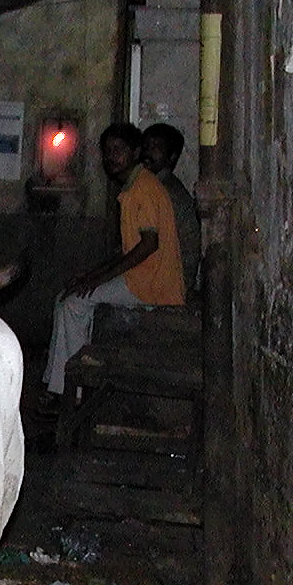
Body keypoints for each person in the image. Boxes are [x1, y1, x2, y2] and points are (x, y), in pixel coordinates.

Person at [42, 121, 183, 399]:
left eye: (119, 150)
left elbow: (149, 245)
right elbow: (127, 250)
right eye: (107, 151)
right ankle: (57, 382)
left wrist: (97, 280)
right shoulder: (135, 187)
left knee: (74, 304)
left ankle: (70, 390)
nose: (111, 157)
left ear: (135, 152)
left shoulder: (143, 188)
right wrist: (90, 276)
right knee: (68, 297)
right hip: (143, 277)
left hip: (152, 284)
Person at [140, 122, 201, 303]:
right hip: (163, 274)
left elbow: (148, 247)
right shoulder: (153, 185)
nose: (148, 152)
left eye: (156, 147)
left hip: (172, 280)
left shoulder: (165, 192)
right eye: (146, 146)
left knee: (78, 301)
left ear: (171, 156)